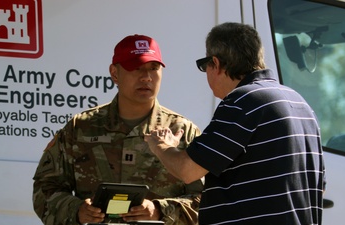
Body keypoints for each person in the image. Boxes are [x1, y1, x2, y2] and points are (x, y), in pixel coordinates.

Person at [144, 22, 325, 225]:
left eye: (205, 67)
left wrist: (161, 146)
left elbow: (188, 170)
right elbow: (318, 185)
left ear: (216, 63)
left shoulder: (243, 101)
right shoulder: (300, 104)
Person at [32, 34, 203, 225]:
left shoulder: (182, 131)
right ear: (114, 73)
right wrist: (77, 211)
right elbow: (45, 188)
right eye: (136, 68)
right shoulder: (80, 128)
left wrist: (160, 211)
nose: (146, 77)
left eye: (153, 69)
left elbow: (207, 199)